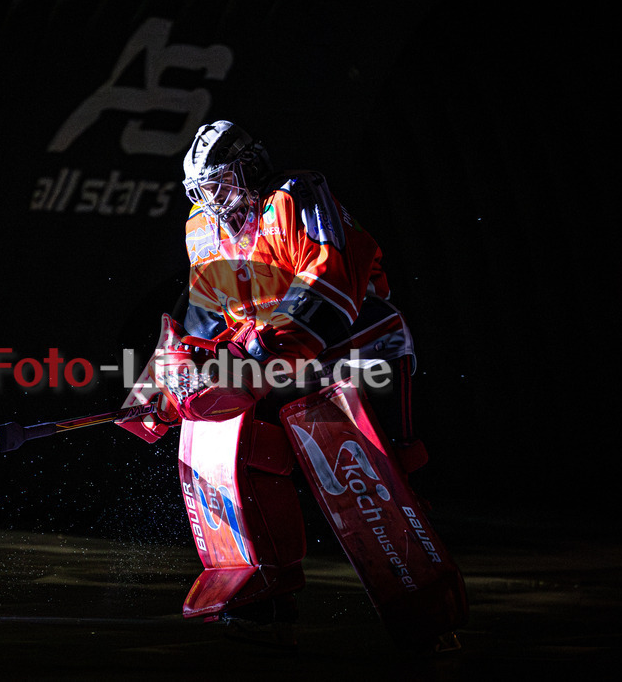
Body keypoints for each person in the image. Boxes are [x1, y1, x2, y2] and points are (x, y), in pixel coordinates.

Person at [118, 121, 462, 651]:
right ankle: (263, 588)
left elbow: (330, 292)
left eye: (222, 184)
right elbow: (206, 318)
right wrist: (164, 384)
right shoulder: (201, 229)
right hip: (277, 356)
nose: (213, 202)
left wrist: (249, 359)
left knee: (380, 471)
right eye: (201, 191)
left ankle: (424, 596)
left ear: (252, 169)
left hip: (356, 347)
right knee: (243, 447)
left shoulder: (298, 197)